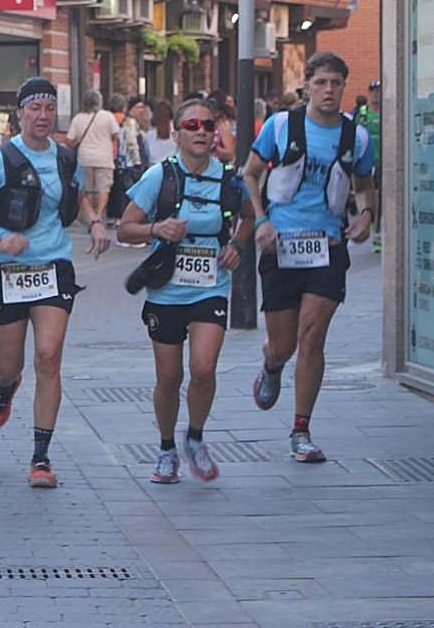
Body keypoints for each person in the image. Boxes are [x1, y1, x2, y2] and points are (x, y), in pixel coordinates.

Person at [0, 77, 111, 488]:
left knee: (48, 356)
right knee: (8, 365)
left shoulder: (64, 157)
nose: (42, 117)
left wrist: (94, 222)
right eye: (34, 109)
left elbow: (75, 198)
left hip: (53, 266)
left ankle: (40, 458)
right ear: (20, 114)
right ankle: (5, 388)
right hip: (6, 270)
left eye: (48, 109)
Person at [241, 51, 375, 463]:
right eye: (321, 83)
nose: (329, 90)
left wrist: (367, 214)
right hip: (281, 244)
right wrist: (261, 219)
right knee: (283, 344)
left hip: (328, 246)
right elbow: (248, 172)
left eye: (336, 83)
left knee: (312, 337)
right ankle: (272, 363)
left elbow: (365, 185)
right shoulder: (282, 126)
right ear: (308, 87)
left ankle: (301, 429)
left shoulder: (358, 137)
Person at [118, 99, 254, 482]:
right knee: (169, 377)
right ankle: (165, 447)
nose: (201, 132)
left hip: (210, 286)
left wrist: (236, 246)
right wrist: (156, 229)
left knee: (203, 367)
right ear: (176, 134)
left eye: (208, 126)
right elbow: (125, 228)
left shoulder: (229, 179)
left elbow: (248, 217)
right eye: (192, 125)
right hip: (166, 289)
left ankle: (194, 437)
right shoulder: (160, 177)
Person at [66, 90, 119, 223]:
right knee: (103, 188)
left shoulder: (78, 118)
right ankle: (99, 215)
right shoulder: (107, 116)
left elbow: (69, 140)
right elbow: (115, 134)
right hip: (104, 158)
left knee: (87, 189)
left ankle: (90, 218)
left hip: (84, 158)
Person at [355, 79, 382, 251]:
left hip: (381, 161)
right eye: (373, 90)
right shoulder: (362, 113)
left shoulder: (386, 111)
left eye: (379, 90)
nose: (376, 94)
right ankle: (367, 222)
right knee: (364, 193)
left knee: (379, 196)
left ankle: (377, 232)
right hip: (365, 161)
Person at [143, 100, 176, 166]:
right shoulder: (177, 133)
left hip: (154, 166)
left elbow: (147, 155)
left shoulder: (148, 135)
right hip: (172, 165)